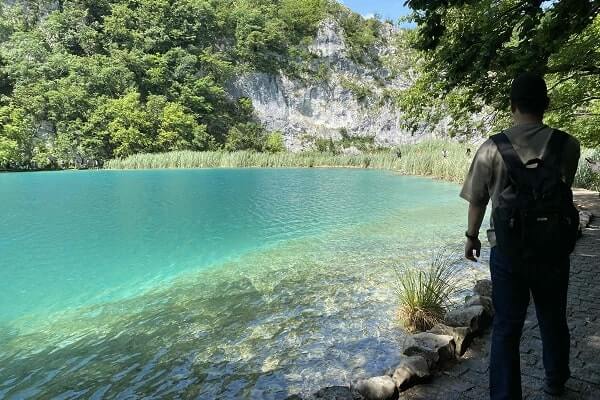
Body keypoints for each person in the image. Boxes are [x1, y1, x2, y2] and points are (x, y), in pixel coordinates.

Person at [460, 72, 581, 399]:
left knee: (506, 328)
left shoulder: (491, 148)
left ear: (511, 105)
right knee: (553, 318)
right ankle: (556, 380)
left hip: (508, 252)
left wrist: (472, 237)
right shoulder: (568, 145)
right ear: (546, 104)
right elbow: (561, 187)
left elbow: (477, 201)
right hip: (553, 249)